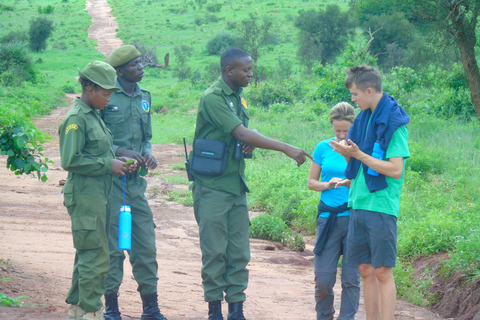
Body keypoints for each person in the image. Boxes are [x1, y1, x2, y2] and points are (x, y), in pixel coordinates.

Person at [191, 47, 312, 320]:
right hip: (211, 188)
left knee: (239, 253)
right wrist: (285, 147)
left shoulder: (238, 97)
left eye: (251, 68)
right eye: (245, 70)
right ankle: (214, 312)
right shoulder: (213, 97)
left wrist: (247, 143)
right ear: (228, 71)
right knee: (214, 253)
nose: (251, 74)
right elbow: (240, 131)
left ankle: (236, 310)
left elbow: (243, 136)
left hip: (235, 186)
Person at [330, 65, 410, 320]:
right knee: (365, 269)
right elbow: (359, 166)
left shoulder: (394, 123)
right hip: (359, 202)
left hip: (381, 205)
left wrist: (358, 155)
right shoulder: (363, 121)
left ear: (368, 90)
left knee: (382, 271)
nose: (352, 100)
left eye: (355, 94)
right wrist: (347, 154)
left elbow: (395, 170)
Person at [59, 61, 134, 320]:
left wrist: (117, 161)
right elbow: (70, 160)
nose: (108, 98)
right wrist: (106, 164)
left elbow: (98, 152)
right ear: (89, 89)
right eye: (105, 93)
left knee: (89, 255)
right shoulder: (76, 119)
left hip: (98, 195)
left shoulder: (93, 117)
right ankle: (91, 311)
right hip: (85, 196)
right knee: (96, 257)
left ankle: (78, 310)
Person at [101, 45, 167, 320]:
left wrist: (148, 153)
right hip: (111, 184)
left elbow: (146, 136)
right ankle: (112, 308)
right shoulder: (105, 97)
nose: (141, 67)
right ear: (119, 72)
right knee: (114, 247)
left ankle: (150, 309)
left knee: (145, 246)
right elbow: (95, 139)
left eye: (141, 62)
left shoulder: (145, 97)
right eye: (135, 64)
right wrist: (120, 151)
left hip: (136, 185)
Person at [307, 102, 360, 320]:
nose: (340, 134)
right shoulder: (323, 147)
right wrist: (328, 184)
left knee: (351, 279)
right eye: (337, 129)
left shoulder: (360, 149)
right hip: (327, 217)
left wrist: (347, 183)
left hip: (353, 218)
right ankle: (324, 316)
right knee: (323, 279)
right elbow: (311, 182)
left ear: (354, 127)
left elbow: (365, 182)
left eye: (345, 130)